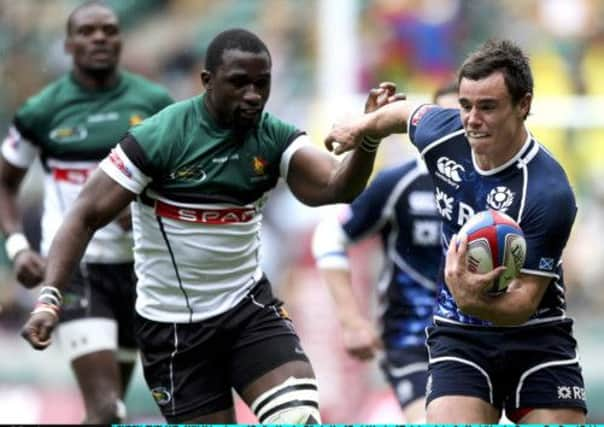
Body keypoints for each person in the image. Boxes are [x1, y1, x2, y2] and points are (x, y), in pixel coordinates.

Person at [19, 28, 397, 424]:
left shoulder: (272, 136)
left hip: (248, 312)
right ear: (207, 81)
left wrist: (368, 139)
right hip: (173, 332)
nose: (253, 94)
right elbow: (83, 215)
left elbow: (335, 186)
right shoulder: (160, 137)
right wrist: (50, 298)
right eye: (239, 82)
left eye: (262, 83)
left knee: (298, 417)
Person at [324, 39, 586, 423]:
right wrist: (359, 127)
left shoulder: (549, 191)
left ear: (523, 105)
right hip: (460, 338)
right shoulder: (444, 136)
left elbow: (522, 304)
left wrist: (468, 297)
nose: (472, 119)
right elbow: (401, 113)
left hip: (538, 338)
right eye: (465, 106)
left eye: (488, 107)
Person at [0, 1, 173, 423]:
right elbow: (4, 181)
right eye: (88, 31)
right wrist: (19, 246)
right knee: (107, 407)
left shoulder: (153, 103)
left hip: (141, 271)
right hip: (78, 269)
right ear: (68, 44)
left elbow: (180, 177)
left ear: (120, 39)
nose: (99, 38)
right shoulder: (42, 110)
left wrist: (144, 205)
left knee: (105, 415)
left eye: (109, 30)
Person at [310, 82, 457, 423]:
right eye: (443, 121)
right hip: (413, 339)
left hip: (482, 340)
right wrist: (351, 321)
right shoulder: (400, 183)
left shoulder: (499, 186)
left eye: (460, 121)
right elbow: (329, 237)